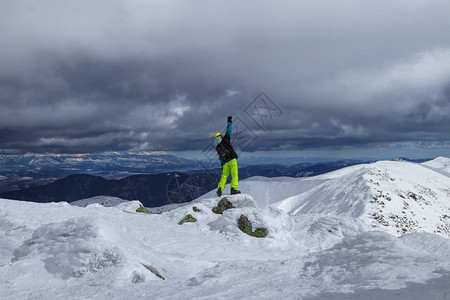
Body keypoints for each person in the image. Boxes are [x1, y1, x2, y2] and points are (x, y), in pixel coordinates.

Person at [214, 116, 240, 197]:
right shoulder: (225, 139)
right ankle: (233, 189)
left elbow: (220, 157)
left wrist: (222, 164)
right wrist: (229, 121)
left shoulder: (217, 146)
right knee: (234, 175)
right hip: (232, 160)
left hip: (225, 163)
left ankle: (219, 189)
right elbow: (229, 130)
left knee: (224, 176)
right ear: (220, 136)